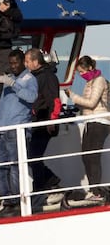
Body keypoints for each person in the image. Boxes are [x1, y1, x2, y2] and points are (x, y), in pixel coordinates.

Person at [0, 49, 38, 217]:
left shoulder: (29, 79)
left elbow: (31, 97)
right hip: (3, 130)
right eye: (10, 63)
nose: (13, 66)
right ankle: (9, 201)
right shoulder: (9, 80)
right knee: (0, 168)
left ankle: (18, 201)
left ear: (23, 62)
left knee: (15, 167)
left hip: (17, 130)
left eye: (15, 63)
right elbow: (2, 108)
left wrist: (14, 85)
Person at [65, 55, 110, 201]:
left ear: (90, 68)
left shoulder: (99, 80)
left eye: (82, 71)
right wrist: (75, 103)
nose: (81, 75)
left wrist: (72, 95)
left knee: (93, 157)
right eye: (79, 73)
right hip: (90, 122)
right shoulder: (89, 82)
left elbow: (91, 103)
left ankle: (96, 191)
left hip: (100, 122)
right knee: (86, 156)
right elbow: (86, 105)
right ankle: (93, 189)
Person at [24, 48, 62, 200]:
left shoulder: (47, 76)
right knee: (31, 155)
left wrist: (52, 119)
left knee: (33, 155)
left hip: (44, 121)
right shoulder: (35, 76)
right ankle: (49, 180)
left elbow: (54, 99)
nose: (25, 64)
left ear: (35, 61)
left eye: (27, 61)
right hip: (37, 120)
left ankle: (40, 187)